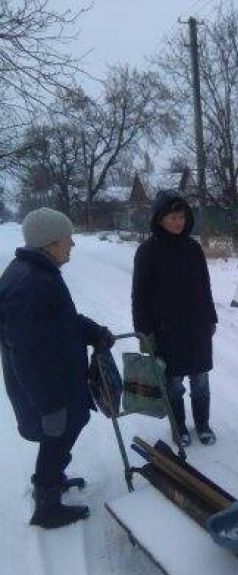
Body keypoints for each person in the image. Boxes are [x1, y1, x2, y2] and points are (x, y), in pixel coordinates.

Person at [0, 207, 114, 528]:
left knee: (66, 431)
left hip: (60, 378)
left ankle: (50, 481)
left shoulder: (39, 273)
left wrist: (94, 332)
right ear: (50, 243)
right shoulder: (29, 284)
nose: (72, 245)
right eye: (68, 239)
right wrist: (49, 404)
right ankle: (47, 505)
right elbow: (27, 353)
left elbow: (62, 322)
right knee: (59, 432)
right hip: (50, 387)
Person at [132, 190, 218, 447]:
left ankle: (202, 424)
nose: (179, 222)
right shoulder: (147, 251)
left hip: (198, 327)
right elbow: (140, 297)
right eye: (173, 217)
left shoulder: (193, 248)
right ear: (159, 219)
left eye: (182, 216)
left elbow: (205, 286)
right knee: (174, 383)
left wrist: (211, 317)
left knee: (201, 380)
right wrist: (144, 333)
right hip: (167, 330)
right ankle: (178, 426)